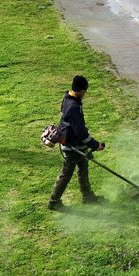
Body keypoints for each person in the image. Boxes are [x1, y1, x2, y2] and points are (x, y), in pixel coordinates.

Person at [48, 75, 105, 210]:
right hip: (71, 146)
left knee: (83, 168)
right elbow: (81, 133)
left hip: (75, 144)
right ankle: (53, 202)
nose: (85, 93)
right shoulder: (74, 107)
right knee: (66, 174)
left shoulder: (68, 97)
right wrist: (96, 145)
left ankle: (87, 197)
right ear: (80, 90)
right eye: (85, 91)